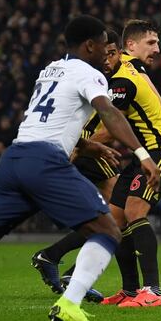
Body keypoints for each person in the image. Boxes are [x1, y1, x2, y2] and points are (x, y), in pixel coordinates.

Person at [0, 15, 160, 321]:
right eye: (104, 45)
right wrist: (142, 154)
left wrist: (87, 146)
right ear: (89, 45)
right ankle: (70, 304)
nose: (107, 51)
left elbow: (52, 120)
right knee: (109, 231)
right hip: (45, 163)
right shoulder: (90, 74)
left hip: (13, 159)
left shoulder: (50, 70)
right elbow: (109, 112)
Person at [97, 20, 161, 307]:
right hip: (143, 154)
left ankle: (154, 290)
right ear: (130, 47)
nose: (158, 49)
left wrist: (78, 143)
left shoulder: (123, 78)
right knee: (115, 218)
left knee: (135, 210)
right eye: (151, 43)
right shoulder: (130, 67)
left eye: (158, 43)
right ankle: (130, 290)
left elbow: (111, 129)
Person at [30, 29, 124, 302]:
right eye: (106, 53)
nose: (107, 59)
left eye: (111, 54)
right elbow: (108, 125)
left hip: (82, 148)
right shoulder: (113, 79)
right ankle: (65, 267)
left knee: (111, 215)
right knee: (115, 216)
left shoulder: (115, 77)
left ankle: (55, 258)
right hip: (87, 149)